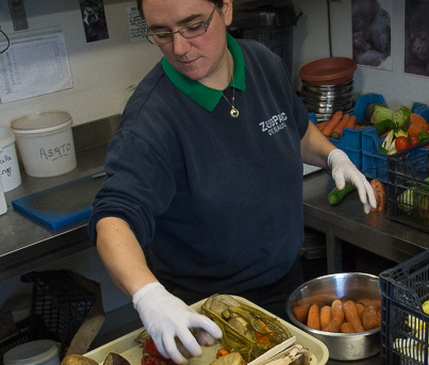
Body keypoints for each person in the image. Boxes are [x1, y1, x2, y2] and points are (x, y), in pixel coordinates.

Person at [89, 0, 376, 363]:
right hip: (204, 314)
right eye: (161, 33)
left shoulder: (262, 62)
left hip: (286, 284)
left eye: (193, 25)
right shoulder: (150, 121)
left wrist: (334, 155)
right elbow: (113, 220)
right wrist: (149, 296)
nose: (179, 47)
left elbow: (295, 129)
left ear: (225, 9)